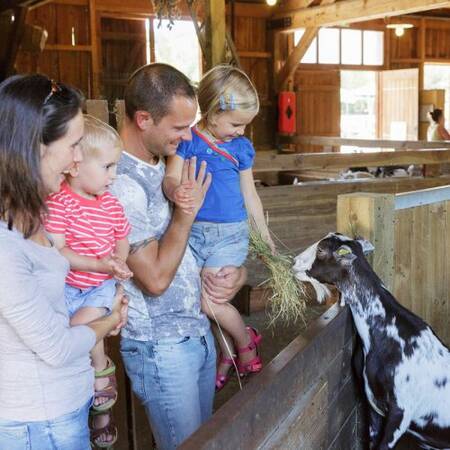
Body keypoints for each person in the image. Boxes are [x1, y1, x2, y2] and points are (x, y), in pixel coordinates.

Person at [110, 63, 246, 450]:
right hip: (161, 348)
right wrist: (185, 216)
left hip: (197, 332)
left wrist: (236, 271)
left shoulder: (165, 167)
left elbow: (208, 238)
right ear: (143, 119)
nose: (189, 136)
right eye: (178, 128)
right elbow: (153, 279)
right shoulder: (120, 183)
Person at [0, 74, 128, 450]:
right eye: (73, 145)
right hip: (38, 421)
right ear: (34, 147)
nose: (77, 160)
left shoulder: (29, 215)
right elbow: (55, 348)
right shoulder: (5, 247)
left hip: (60, 408)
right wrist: (110, 318)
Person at [163, 64, 274, 390]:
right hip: (194, 233)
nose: (241, 131)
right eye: (236, 123)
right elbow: (171, 176)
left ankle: (244, 343)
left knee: (210, 301)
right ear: (211, 112)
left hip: (229, 234)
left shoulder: (240, 147)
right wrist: (175, 191)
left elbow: (249, 194)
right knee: (203, 298)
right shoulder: (189, 141)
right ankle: (227, 353)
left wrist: (264, 239)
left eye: (245, 125)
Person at [44, 114, 132, 447]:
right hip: (69, 285)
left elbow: (122, 237)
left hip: (98, 286)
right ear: (76, 166)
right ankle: (97, 383)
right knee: (72, 337)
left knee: (81, 328)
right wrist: (100, 263)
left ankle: (100, 377)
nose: (114, 176)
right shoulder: (59, 202)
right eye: (108, 167)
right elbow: (59, 251)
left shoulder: (110, 203)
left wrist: (118, 261)